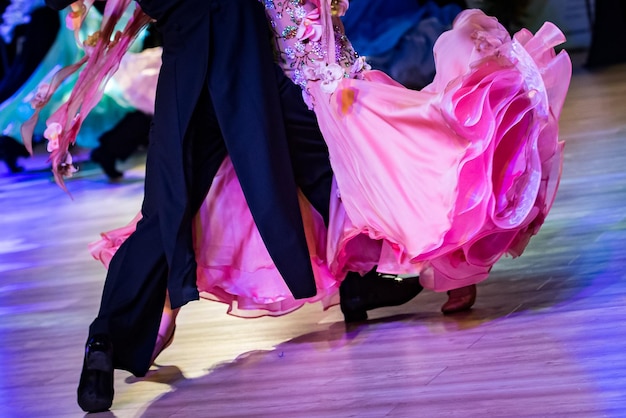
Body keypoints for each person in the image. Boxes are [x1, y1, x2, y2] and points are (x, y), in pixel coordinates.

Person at [41, 0, 421, 413]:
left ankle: (105, 340)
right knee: (301, 158)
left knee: (184, 200)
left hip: (211, 45)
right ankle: (365, 276)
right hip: (224, 41)